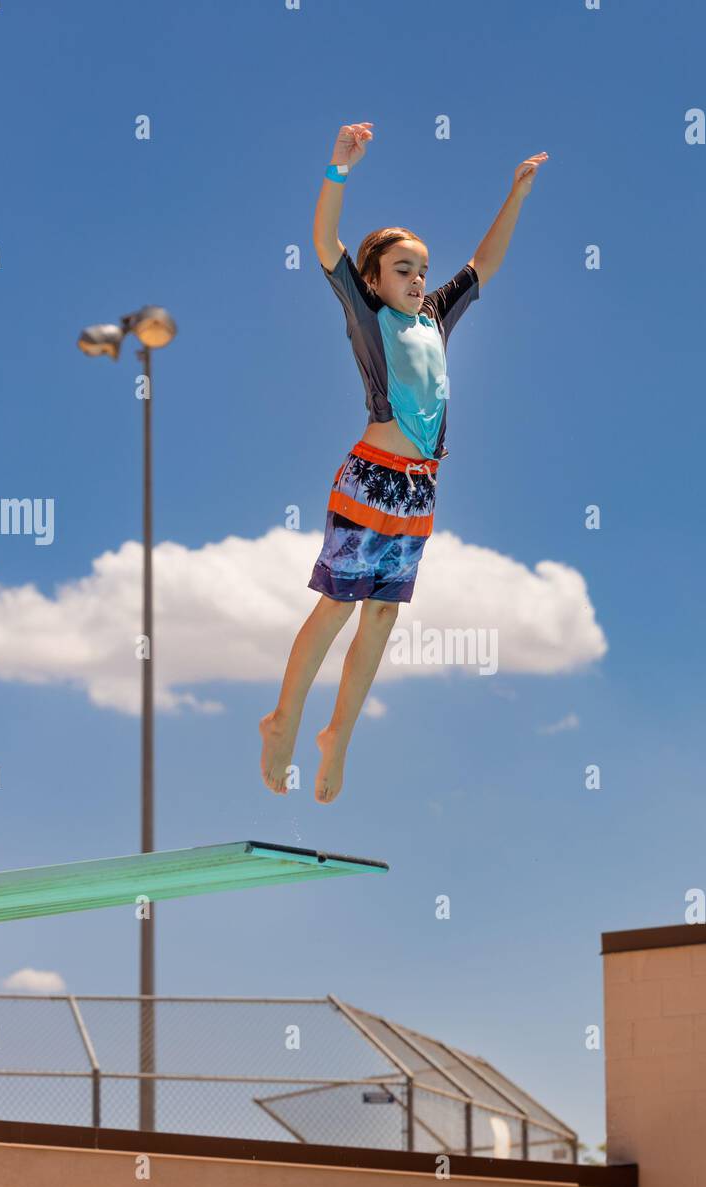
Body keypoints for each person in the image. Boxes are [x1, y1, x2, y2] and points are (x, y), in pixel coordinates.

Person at [260, 121, 547, 802]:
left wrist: (516, 193)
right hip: (371, 479)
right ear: (372, 280)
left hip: (419, 492)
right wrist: (338, 169)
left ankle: (338, 738)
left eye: (421, 269)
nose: (419, 280)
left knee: (381, 618)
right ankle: (284, 719)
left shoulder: (435, 317)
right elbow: (323, 243)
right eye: (403, 270)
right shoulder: (368, 315)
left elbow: (485, 264)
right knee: (336, 605)